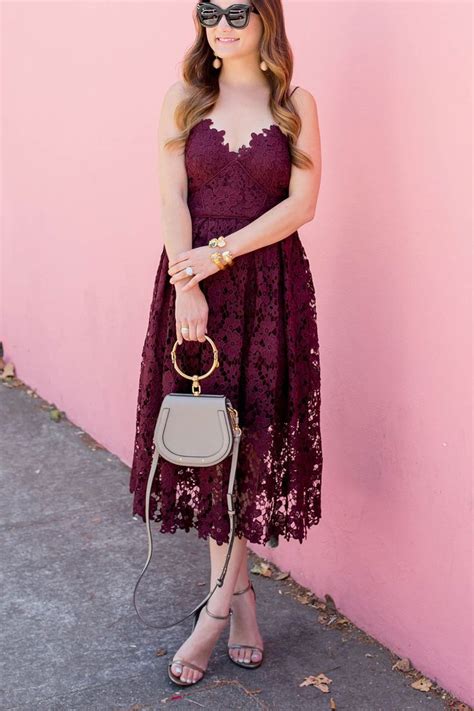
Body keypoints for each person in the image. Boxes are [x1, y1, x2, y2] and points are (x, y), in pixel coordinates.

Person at [129, 0, 323, 687]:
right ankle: (234, 600)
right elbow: (170, 198)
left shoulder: (295, 103)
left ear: (266, 16)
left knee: (253, 442)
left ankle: (218, 609)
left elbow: (302, 204)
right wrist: (190, 281)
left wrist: (223, 253)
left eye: (238, 9)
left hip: (269, 290)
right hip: (195, 292)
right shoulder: (185, 98)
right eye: (209, 10)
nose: (223, 22)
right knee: (211, 441)